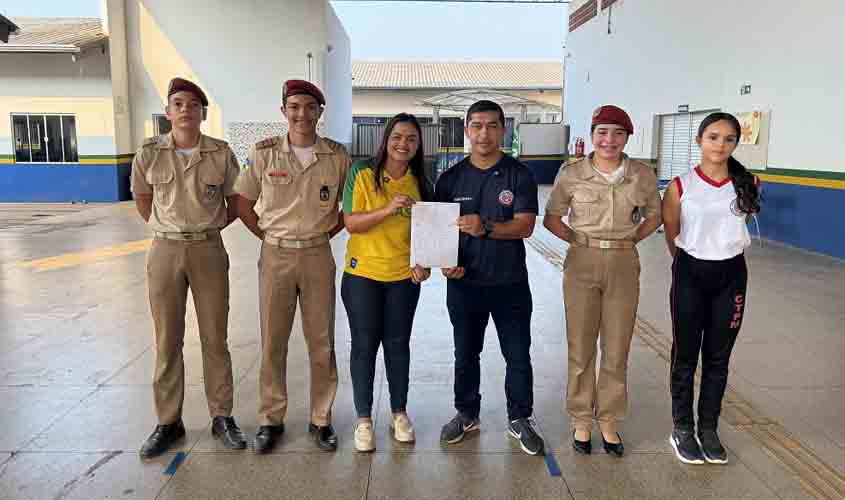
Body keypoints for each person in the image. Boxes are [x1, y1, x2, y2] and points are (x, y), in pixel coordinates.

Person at [131, 77, 246, 458]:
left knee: (216, 338)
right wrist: (171, 230)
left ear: (202, 113)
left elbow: (235, 203)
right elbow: (143, 200)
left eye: (193, 105)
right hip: (164, 250)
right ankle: (168, 422)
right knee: (168, 340)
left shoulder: (220, 153)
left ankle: (222, 417)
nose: (185, 110)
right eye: (178, 104)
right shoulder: (149, 152)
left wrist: (204, 227)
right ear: (168, 112)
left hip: (208, 250)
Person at [235, 79, 350, 453]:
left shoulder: (337, 157)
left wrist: (318, 238)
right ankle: (272, 418)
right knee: (273, 340)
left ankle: (321, 419)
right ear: (283, 111)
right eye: (294, 107)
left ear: (320, 113)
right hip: (276, 255)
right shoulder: (264, 153)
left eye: (309, 107)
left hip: (318, 255)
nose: (302, 114)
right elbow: (242, 205)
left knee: (322, 341)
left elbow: (344, 211)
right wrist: (272, 240)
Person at [543, 104, 662, 457]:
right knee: (580, 346)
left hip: (624, 261)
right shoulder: (572, 173)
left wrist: (631, 240)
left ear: (627, 138)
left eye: (617, 133)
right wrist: (581, 242)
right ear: (592, 136)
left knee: (617, 346)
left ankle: (609, 420)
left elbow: (655, 215)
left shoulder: (641, 174)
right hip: (582, 261)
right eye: (602, 132)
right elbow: (551, 217)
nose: (609, 140)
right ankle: (581, 418)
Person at [435, 100, 544, 456]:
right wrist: (444, 264)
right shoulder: (450, 179)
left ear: (503, 130)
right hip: (465, 284)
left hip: (510, 284)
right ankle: (466, 413)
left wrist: (486, 227)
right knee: (466, 353)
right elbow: (438, 234)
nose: (484, 133)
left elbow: (525, 226)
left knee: (518, 355)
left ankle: (520, 417)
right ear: (466, 130)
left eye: (492, 126)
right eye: (477, 126)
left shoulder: (519, 175)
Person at [661, 112, 761, 465]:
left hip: (731, 277)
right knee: (685, 356)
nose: (720, 145)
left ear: (736, 143)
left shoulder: (748, 182)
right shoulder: (680, 185)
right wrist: (691, 262)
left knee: (718, 358)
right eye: (713, 137)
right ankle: (682, 428)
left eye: (729, 139)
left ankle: (709, 428)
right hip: (690, 273)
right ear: (699, 140)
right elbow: (672, 231)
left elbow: (738, 226)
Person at [341, 113, 434, 452]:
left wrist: (425, 265)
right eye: (397, 136)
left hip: (402, 279)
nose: (403, 144)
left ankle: (399, 412)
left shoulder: (421, 182)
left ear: (418, 144)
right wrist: (388, 209)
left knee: (398, 345)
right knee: (364, 346)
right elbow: (351, 223)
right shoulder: (362, 172)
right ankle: (364, 419)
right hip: (362, 274)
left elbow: (428, 234)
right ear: (386, 138)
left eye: (411, 138)